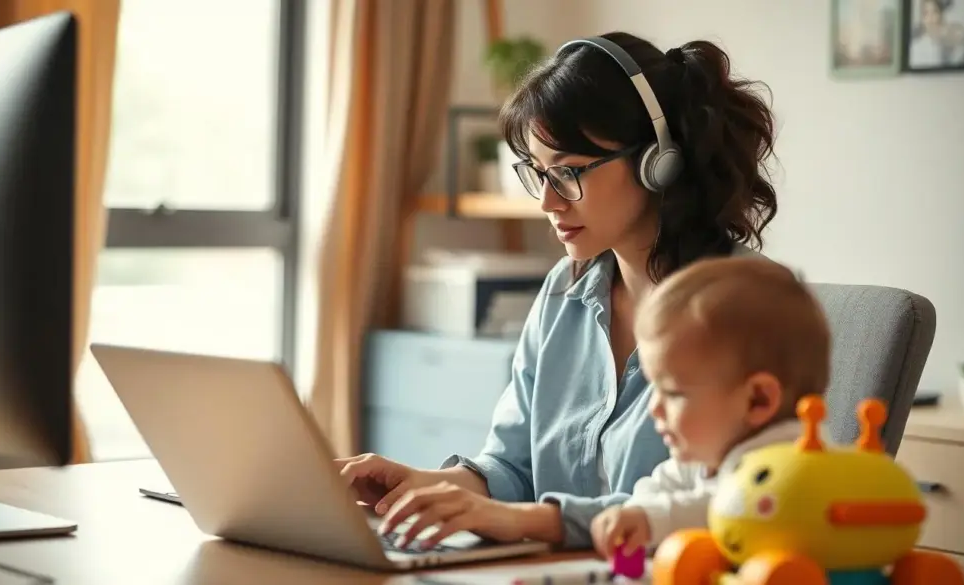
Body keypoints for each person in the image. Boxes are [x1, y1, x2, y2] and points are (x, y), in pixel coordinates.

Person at [336, 31, 779, 550]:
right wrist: (422, 486)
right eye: (537, 173)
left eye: (568, 173)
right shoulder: (562, 293)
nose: (548, 201)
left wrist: (528, 523)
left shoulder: (748, 306)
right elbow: (511, 467)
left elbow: (718, 505)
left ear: (659, 161)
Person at [589, 256, 832, 558]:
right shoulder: (708, 454)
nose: (654, 408)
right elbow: (661, 484)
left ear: (758, 400)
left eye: (674, 393)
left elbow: (733, 506)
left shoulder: (792, 456)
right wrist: (636, 509)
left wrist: (653, 519)